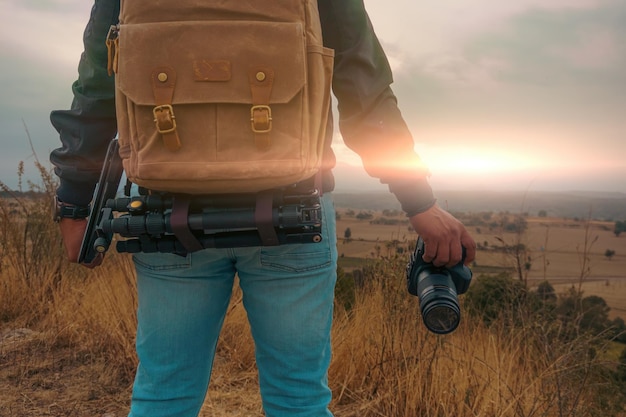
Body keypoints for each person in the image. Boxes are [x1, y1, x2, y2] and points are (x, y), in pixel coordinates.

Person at [50, 0, 476, 416]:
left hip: (165, 212)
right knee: (299, 399)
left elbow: (96, 87)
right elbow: (365, 89)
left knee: (164, 393)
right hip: (293, 210)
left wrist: (74, 201)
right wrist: (419, 200)